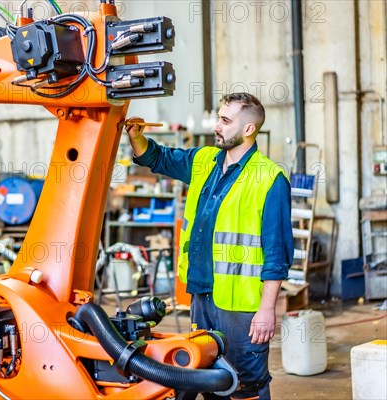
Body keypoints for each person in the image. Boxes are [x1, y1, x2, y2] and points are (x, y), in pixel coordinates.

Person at [125, 92, 293, 400]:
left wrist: (267, 310)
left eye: (226, 121)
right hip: (201, 293)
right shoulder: (203, 161)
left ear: (248, 130)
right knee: (206, 376)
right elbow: (157, 158)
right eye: (218, 117)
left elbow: (277, 254)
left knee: (246, 384)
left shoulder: (270, 178)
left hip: (241, 306)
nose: (217, 126)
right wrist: (136, 137)